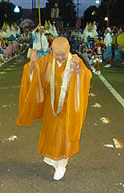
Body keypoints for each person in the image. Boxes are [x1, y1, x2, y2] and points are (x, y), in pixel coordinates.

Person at [17, 37, 92, 180]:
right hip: (50, 107)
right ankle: (54, 160)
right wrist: (32, 62)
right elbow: (32, 73)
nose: (60, 57)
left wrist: (78, 69)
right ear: (52, 50)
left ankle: (62, 164)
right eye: (57, 54)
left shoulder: (75, 60)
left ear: (69, 49)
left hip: (67, 107)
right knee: (52, 135)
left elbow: (86, 76)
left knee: (63, 137)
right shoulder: (48, 60)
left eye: (63, 55)